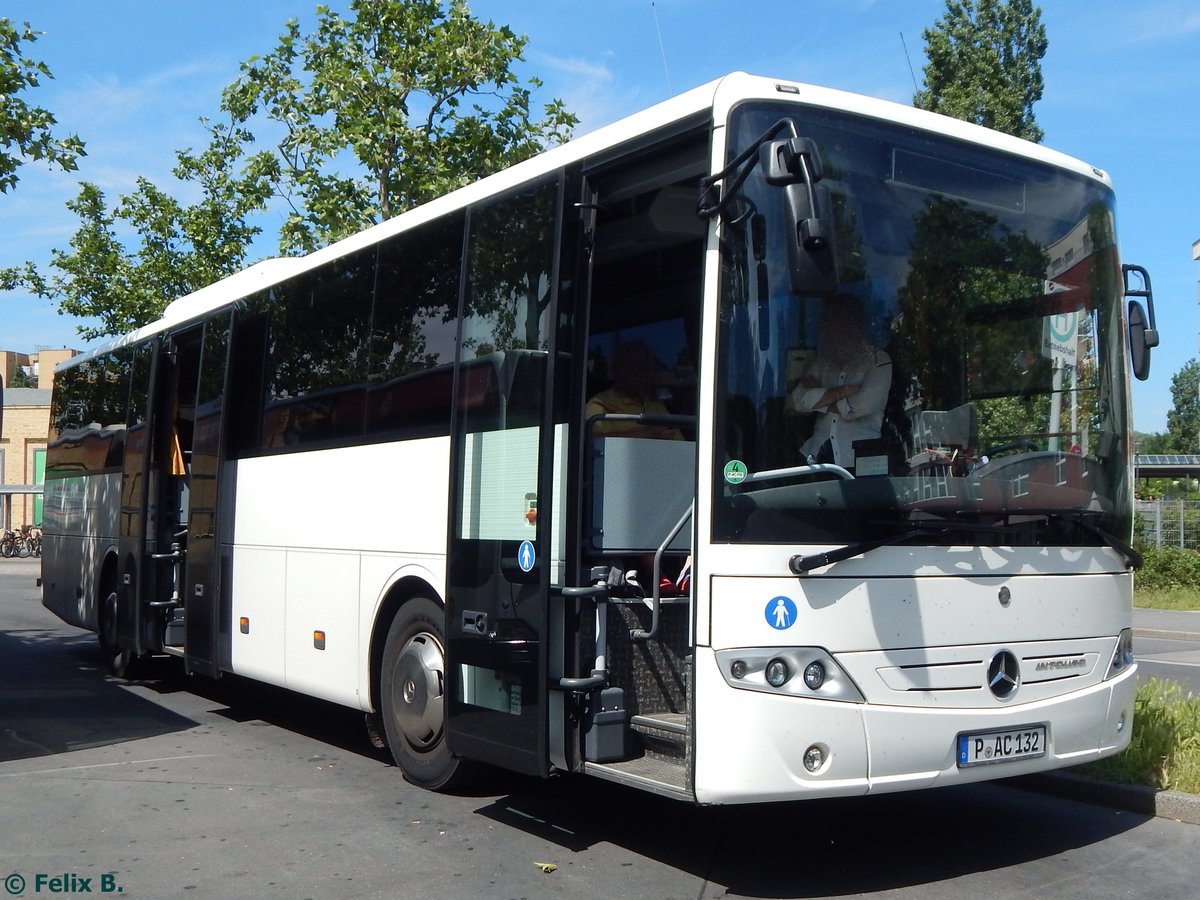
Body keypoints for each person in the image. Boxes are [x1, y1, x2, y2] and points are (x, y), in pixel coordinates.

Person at [792, 295, 892, 469]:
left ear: (854, 325)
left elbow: (860, 406)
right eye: (825, 322)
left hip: (863, 464)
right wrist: (842, 391)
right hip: (815, 461)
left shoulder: (879, 361)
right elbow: (798, 400)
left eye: (833, 322)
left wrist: (820, 396)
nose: (826, 331)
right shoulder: (821, 363)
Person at [585, 340, 683, 440]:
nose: (641, 374)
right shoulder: (600, 404)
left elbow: (682, 446)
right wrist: (649, 434)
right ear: (617, 370)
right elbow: (594, 443)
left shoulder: (656, 406)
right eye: (633, 367)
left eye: (646, 368)